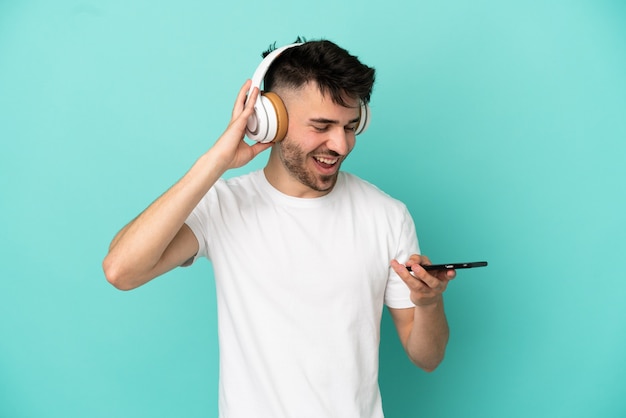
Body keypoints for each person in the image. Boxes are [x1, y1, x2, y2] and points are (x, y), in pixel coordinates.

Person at [103, 38, 455, 418]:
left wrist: (429, 302)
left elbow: (428, 357)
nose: (340, 144)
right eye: (321, 126)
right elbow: (121, 271)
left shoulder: (387, 215)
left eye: (350, 126)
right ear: (269, 119)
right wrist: (217, 160)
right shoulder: (223, 205)